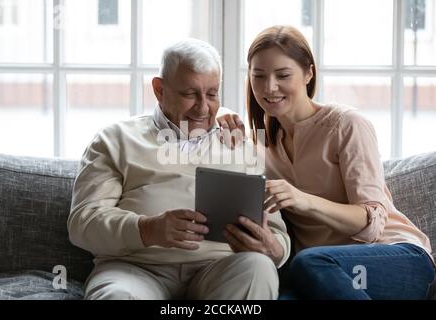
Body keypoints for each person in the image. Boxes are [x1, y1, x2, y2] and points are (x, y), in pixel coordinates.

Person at [217, 25, 435, 300]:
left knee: (309, 262)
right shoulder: (258, 147)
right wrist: (221, 116)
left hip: (396, 259)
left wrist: (301, 199)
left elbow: (373, 224)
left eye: (283, 75)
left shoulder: (347, 125)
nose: (269, 87)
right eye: (258, 76)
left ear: (308, 72)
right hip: (323, 276)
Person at [67, 38, 290, 300]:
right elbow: (83, 223)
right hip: (135, 269)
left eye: (212, 94)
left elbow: (276, 233)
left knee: (258, 268)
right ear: (159, 90)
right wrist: (148, 229)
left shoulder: (238, 141)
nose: (203, 107)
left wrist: (274, 249)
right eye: (190, 94)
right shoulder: (115, 139)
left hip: (219, 270)